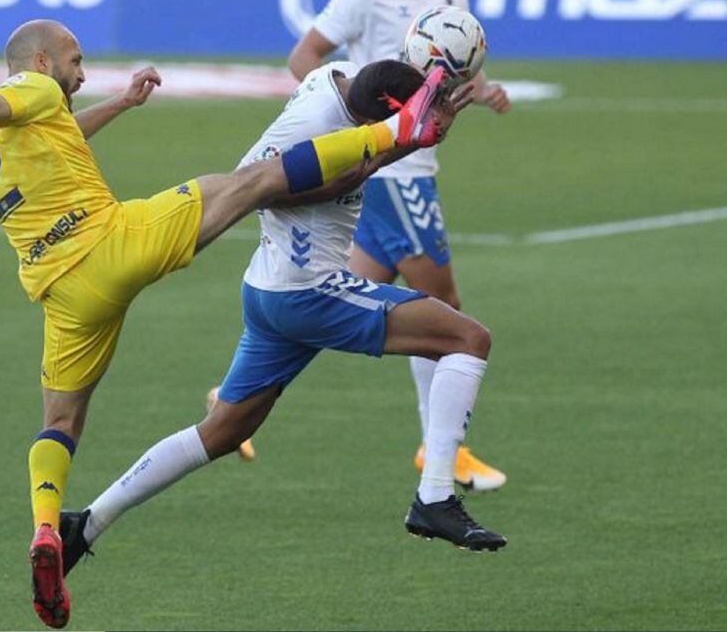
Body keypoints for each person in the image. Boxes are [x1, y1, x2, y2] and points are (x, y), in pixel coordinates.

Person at [0, 20, 453, 629]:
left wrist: (122, 104)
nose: (83, 74)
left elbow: (58, 134)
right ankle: (394, 129)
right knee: (251, 182)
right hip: (114, 244)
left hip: (61, 294)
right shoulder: (32, 89)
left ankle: (48, 531)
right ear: (42, 62)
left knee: (59, 421)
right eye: (76, 62)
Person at [54, 60, 505, 590]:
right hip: (309, 292)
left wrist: (415, 131)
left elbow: (369, 143)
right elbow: (256, 183)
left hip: (270, 292)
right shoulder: (316, 122)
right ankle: (433, 497)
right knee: (467, 339)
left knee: (220, 433)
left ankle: (84, 526)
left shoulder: (336, 81)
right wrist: (394, 146)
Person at [287, 0, 511, 491]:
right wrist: (348, 123)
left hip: (417, 164)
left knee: (326, 303)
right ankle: (440, 451)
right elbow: (305, 55)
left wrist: (483, 90)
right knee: (445, 310)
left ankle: (233, 391)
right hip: (391, 171)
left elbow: (457, 61)